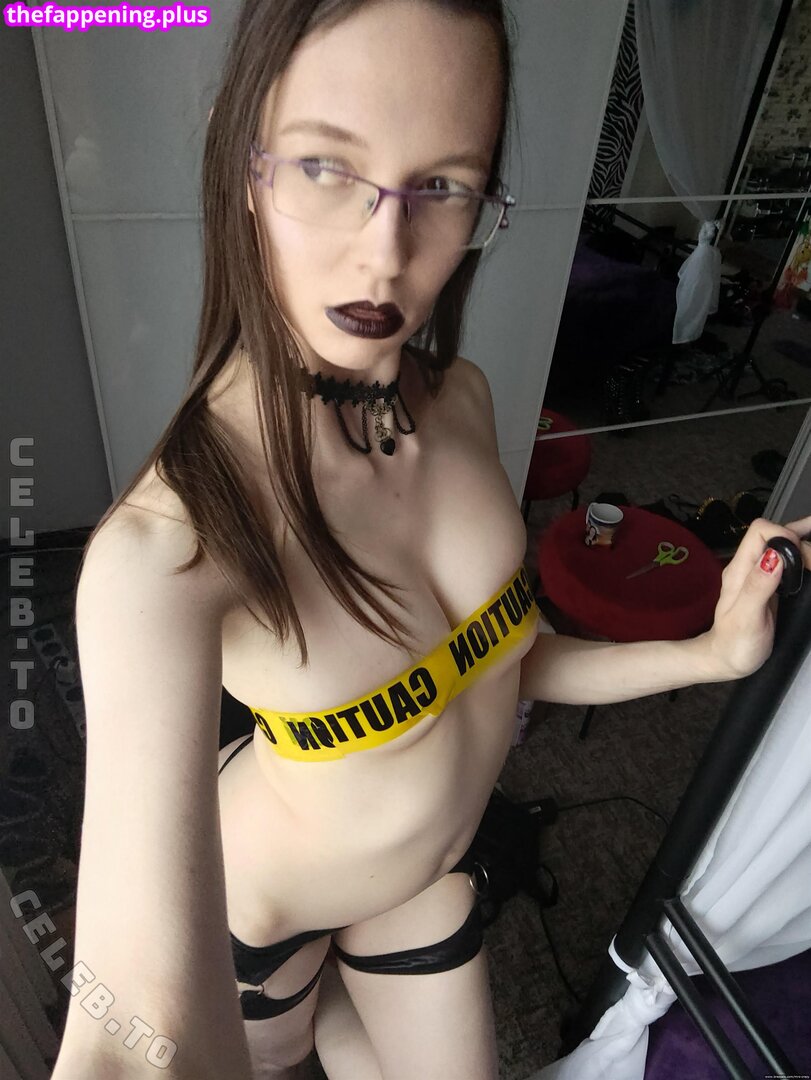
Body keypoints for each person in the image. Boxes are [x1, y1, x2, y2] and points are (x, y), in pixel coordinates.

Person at [52, 2, 811, 1078]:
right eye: (326, 166)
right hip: (257, 922)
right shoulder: (164, 550)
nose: (386, 252)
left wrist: (710, 655)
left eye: (443, 185)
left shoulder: (460, 400)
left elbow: (499, 660)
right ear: (244, 163)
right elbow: (124, 1031)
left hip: (420, 885)